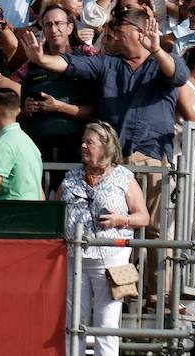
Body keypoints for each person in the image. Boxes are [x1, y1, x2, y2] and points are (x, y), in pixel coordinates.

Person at [24, 7, 188, 163]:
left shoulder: (164, 62)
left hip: (150, 156)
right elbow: (71, 64)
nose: (115, 37)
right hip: (112, 159)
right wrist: (41, 60)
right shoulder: (108, 64)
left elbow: (178, 76)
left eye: (119, 32)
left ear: (140, 32)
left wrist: (157, 51)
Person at [58, 122, 148, 356]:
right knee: (73, 323)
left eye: (90, 142)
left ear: (106, 147)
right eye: (83, 141)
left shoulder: (124, 177)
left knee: (107, 325)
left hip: (113, 259)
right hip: (75, 259)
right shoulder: (72, 175)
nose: (83, 146)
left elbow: (143, 217)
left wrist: (120, 220)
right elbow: (55, 209)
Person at [0, 88, 43, 200]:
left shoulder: (2, 144)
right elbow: (40, 193)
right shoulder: (30, 143)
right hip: (34, 212)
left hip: (12, 214)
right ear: (18, 110)